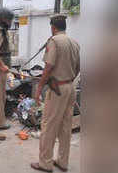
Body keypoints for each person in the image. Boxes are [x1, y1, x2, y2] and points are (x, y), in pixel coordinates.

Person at [31, 14, 80, 172]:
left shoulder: (54, 41)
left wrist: (39, 87)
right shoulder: (74, 42)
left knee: (49, 125)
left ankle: (45, 163)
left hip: (57, 88)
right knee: (65, 126)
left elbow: (48, 66)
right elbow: (78, 68)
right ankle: (63, 162)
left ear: (53, 27)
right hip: (70, 87)